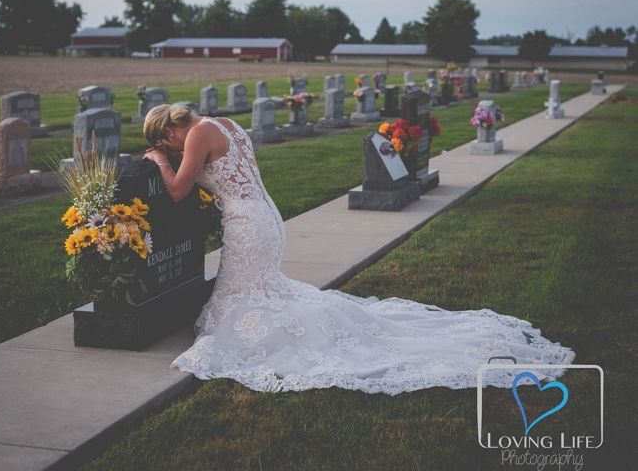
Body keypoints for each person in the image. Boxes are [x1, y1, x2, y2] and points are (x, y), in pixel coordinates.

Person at [142, 104, 575, 395]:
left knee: (249, 297)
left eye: (168, 142)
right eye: (167, 149)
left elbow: (179, 190)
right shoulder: (223, 123)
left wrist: (159, 163)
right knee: (259, 289)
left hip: (247, 222)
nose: (174, 148)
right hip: (263, 214)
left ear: (169, 127)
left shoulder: (197, 134)